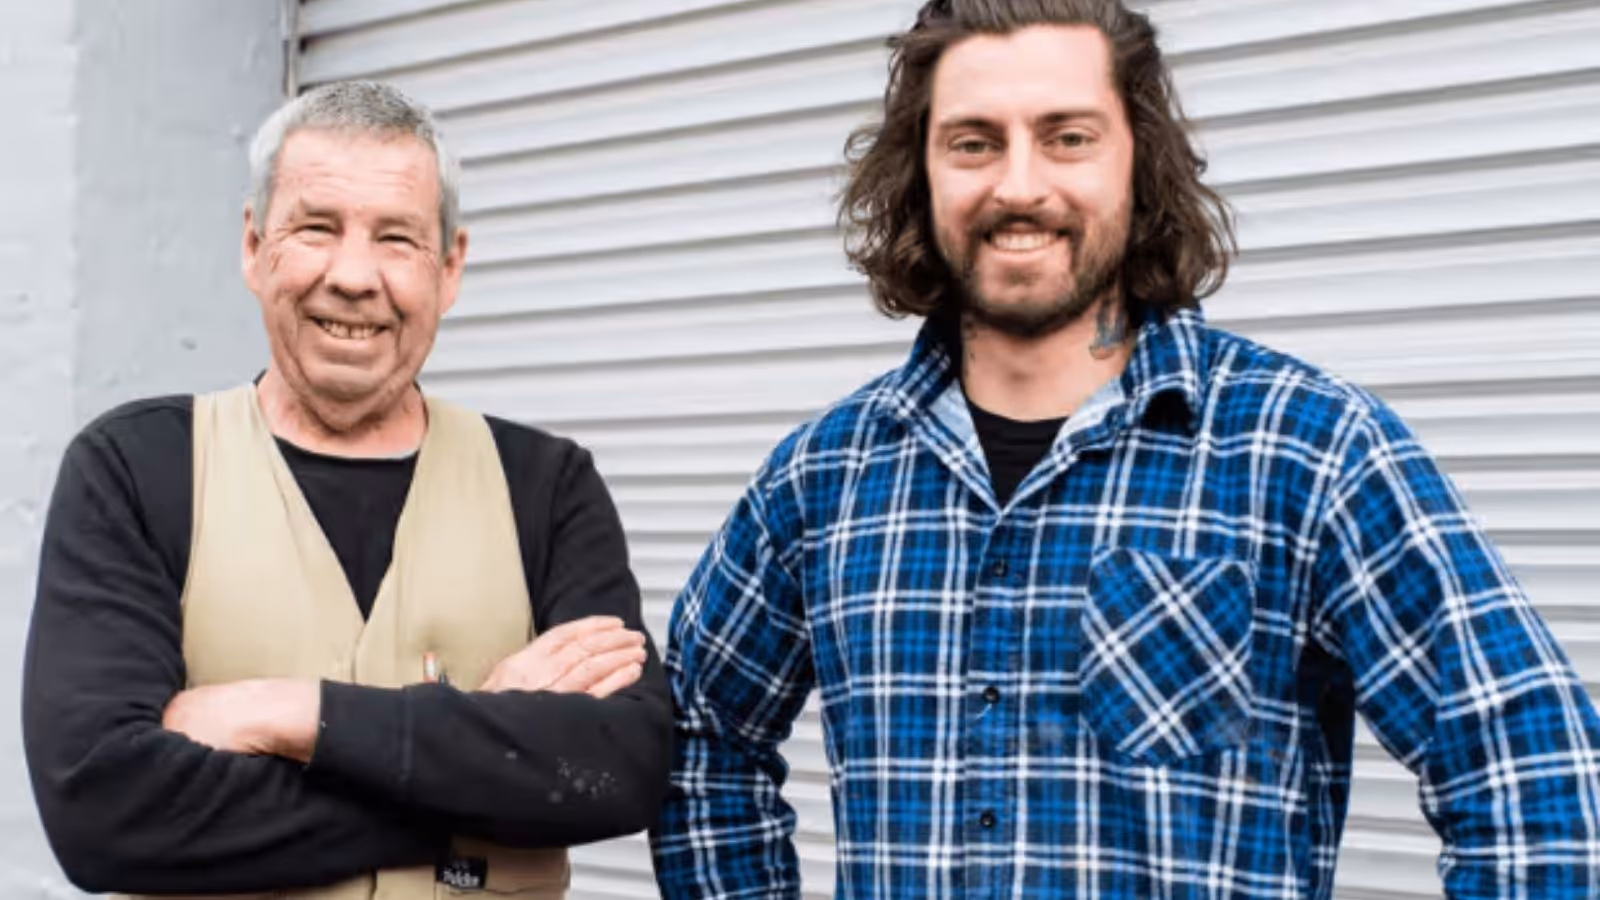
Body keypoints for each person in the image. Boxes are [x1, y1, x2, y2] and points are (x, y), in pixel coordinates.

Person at [649, 1, 1600, 897]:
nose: (1019, 186)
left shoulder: (1308, 451)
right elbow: (701, 741)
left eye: (1068, 137)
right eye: (973, 143)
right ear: (922, 172)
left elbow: (1532, 776)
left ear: (1139, 163)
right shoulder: (822, 481)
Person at [23, 81, 671, 898]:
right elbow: (105, 813)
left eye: (397, 238)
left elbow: (618, 767)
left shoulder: (545, 486)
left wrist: (286, 713)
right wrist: (480, 752)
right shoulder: (136, 470)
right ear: (255, 248)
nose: (355, 276)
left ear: (450, 267)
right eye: (316, 228)